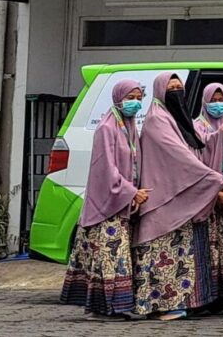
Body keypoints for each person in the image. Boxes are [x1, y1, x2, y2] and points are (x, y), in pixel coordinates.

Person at [133, 72, 223, 321]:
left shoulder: (173, 118)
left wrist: (220, 135)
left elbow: (196, 144)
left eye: (179, 88)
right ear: (160, 91)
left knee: (177, 255)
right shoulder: (157, 120)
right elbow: (180, 157)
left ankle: (172, 304)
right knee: (162, 254)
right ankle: (161, 305)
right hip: (162, 198)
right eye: (171, 88)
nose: (177, 92)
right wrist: (214, 178)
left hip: (175, 196)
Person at [60, 79, 151, 321]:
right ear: (119, 97)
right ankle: (104, 309)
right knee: (110, 259)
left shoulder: (129, 127)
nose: (135, 103)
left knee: (114, 259)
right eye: (130, 97)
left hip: (122, 205)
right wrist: (131, 192)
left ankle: (112, 308)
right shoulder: (106, 128)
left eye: (139, 98)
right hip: (107, 209)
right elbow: (106, 171)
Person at [193, 83, 223, 302]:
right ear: (204, 102)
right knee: (207, 248)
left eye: (222, 100)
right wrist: (216, 190)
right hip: (207, 199)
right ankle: (207, 297)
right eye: (213, 100)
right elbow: (194, 165)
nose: (218, 105)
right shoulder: (196, 128)